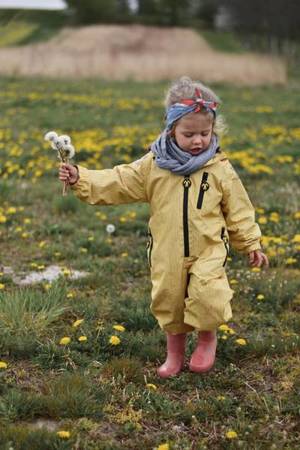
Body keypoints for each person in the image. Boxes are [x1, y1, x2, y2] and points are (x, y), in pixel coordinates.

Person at [59, 76, 269, 379]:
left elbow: (239, 209)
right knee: (169, 300)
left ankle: (207, 339)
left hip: (208, 248)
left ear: (214, 129)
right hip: (167, 250)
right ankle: (174, 353)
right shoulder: (153, 165)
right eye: (189, 134)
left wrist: (250, 242)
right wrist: (81, 178)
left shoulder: (219, 168)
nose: (198, 140)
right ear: (171, 129)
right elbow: (118, 180)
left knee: (208, 295)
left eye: (204, 133)